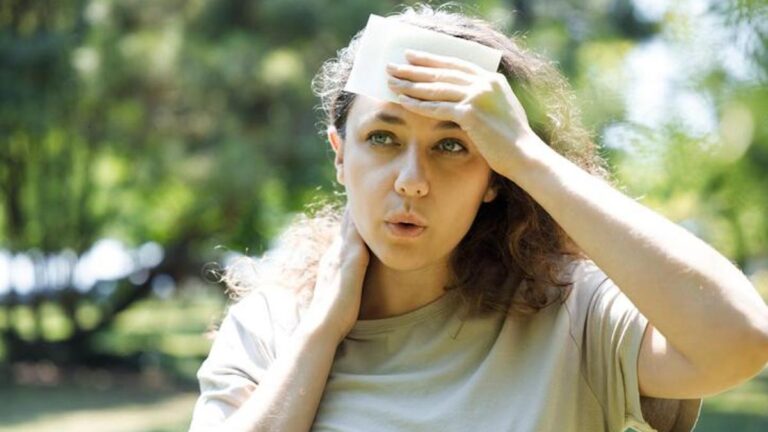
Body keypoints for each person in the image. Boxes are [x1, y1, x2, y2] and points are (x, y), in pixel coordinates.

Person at [189, 5, 768, 432]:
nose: (412, 179)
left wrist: (528, 156)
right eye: (383, 137)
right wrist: (322, 328)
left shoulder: (572, 313)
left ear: (495, 176)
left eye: (452, 145)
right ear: (340, 156)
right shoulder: (272, 325)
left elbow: (741, 339)